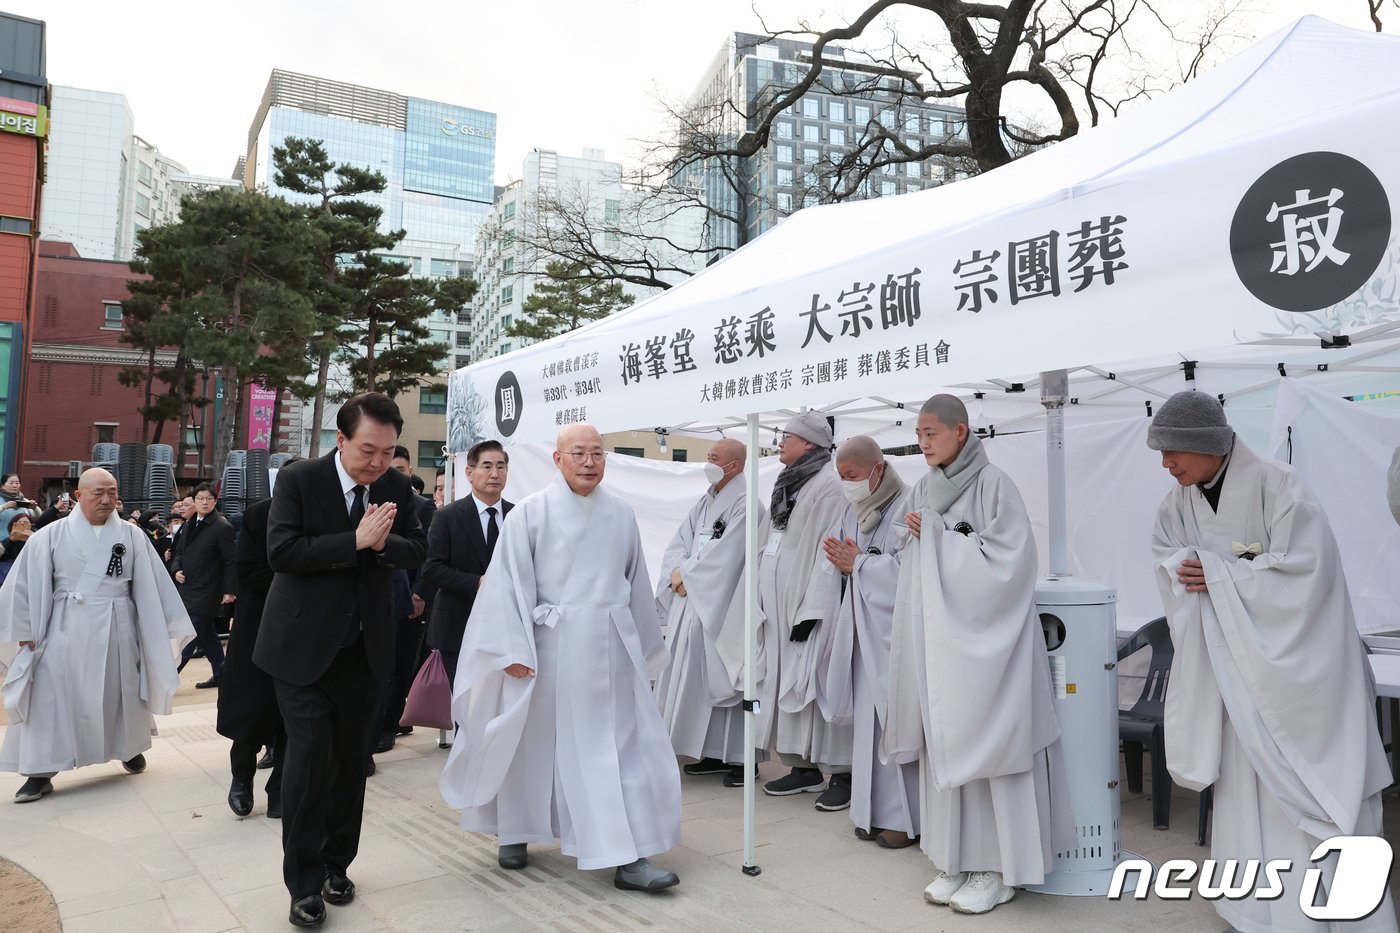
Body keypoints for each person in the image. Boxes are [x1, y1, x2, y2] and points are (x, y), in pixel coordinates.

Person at [1148, 391, 1396, 933]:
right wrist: (1198, 571)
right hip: (1235, 681)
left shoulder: (1280, 487)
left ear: (1208, 445)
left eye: (1173, 452)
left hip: (1303, 680)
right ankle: (1257, 912)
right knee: (1246, 793)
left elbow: (1310, 576)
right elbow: (1166, 553)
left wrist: (1221, 574)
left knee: (1318, 787)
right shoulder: (1177, 503)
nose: (1166, 464)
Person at [440, 424, 681, 892]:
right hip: (544, 649)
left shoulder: (620, 514)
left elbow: (634, 586)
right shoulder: (529, 514)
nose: (589, 461)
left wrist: (645, 649)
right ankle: (515, 829)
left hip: (608, 651)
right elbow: (506, 584)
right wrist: (510, 648)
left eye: (597, 453)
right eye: (579, 453)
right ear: (557, 459)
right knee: (529, 744)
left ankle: (626, 853)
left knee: (614, 750)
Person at [884, 394, 1071, 914]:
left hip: (993, 647)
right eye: (918, 435)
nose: (922, 443)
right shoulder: (922, 488)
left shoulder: (995, 486)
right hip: (944, 643)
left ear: (959, 432)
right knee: (948, 735)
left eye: (930, 433)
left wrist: (940, 538)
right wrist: (924, 543)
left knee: (996, 746)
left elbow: (1011, 567)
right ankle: (957, 858)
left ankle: (1001, 868)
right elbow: (912, 555)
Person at [253, 392, 426, 928]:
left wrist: (381, 546)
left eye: (388, 451)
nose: (377, 463)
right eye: (367, 450)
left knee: (352, 764)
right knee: (306, 765)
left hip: (365, 649)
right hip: (303, 651)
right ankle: (303, 885)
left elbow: (416, 549)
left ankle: (336, 864)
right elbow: (281, 552)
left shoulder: (395, 486)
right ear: (341, 440)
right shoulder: (300, 481)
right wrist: (353, 540)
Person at [0, 468, 193, 802]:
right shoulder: (51, 535)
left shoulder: (132, 536)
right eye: (98, 493)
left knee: (121, 691)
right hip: (63, 626)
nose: (107, 500)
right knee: (51, 698)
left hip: (118, 626)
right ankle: (41, 770)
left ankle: (127, 747)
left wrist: (156, 628)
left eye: (113, 493)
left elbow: (150, 585)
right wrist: (25, 629)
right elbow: (23, 585)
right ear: (78, 496)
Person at [818, 436, 919, 849]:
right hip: (863, 629)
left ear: (878, 469)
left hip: (897, 638)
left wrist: (859, 564)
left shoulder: (909, 503)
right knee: (867, 728)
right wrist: (848, 567)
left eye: (852, 476)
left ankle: (903, 819)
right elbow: (843, 559)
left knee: (897, 724)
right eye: (841, 477)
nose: (847, 485)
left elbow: (911, 571)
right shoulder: (850, 506)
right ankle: (869, 811)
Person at [755, 411, 851, 810]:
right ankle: (802, 765)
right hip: (779, 601)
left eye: (787, 436)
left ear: (809, 443)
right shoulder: (792, 480)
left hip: (806, 602)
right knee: (786, 681)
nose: (780, 442)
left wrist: (814, 606)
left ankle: (842, 772)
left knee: (817, 680)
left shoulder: (828, 486)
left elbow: (827, 551)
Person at [654, 438, 762, 786]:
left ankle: (744, 760)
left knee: (726, 676)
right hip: (693, 602)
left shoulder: (748, 505)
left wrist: (685, 577)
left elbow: (728, 557)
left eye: (715, 458)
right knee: (695, 678)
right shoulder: (705, 502)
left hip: (723, 606)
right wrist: (677, 576)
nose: (708, 463)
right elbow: (679, 543)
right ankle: (712, 752)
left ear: (735, 465)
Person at [217, 491, 286, 820]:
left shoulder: (323, 514)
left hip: (307, 630)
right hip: (258, 625)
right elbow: (248, 572)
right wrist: (302, 573)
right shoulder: (259, 515)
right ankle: (242, 777)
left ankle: (281, 790)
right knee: (251, 708)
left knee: (296, 719)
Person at [422, 440, 512, 687]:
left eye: (501, 466)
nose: (495, 474)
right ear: (469, 472)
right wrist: (478, 582)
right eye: (487, 466)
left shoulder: (519, 516)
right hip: (456, 627)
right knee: (459, 710)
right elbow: (432, 569)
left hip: (506, 629)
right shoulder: (448, 516)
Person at [373, 447, 436, 754]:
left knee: (399, 665)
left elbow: (426, 554)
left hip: (407, 597)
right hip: (376, 597)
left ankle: (389, 725)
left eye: (398, 466)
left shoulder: (423, 507)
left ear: (409, 471)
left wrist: (419, 592)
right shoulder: (370, 499)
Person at [172, 484, 235, 689]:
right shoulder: (189, 523)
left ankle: (167, 678)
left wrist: (229, 590)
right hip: (189, 587)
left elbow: (230, 561)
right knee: (207, 635)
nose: (205, 502)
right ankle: (222, 672)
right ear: (194, 501)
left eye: (209, 499)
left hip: (208, 590)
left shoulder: (222, 526)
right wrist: (177, 570)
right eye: (200, 498)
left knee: (188, 635)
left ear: (215, 501)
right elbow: (178, 552)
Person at [0, 511, 33, 588]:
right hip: (7, 580)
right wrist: (11, 540)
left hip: (28, 579)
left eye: (26, 522)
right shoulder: (6, 542)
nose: (22, 524)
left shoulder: (36, 538)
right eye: (19, 523)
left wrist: (34, 538)